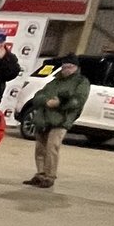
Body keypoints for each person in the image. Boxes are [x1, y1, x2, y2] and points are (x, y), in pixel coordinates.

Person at [24, 57, 89, 189]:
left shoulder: (81, 82)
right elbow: (38, 96)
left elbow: (78, 101)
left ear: (76, 68)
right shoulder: (54, 82)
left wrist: (59, 103)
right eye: (64, 67)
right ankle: (40, 174)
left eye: (70, 67)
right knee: (40, 148)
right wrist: (46, 101)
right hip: (44, 118)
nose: (66, 69)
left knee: (52, 146)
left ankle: (49, 176)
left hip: (61, 120)